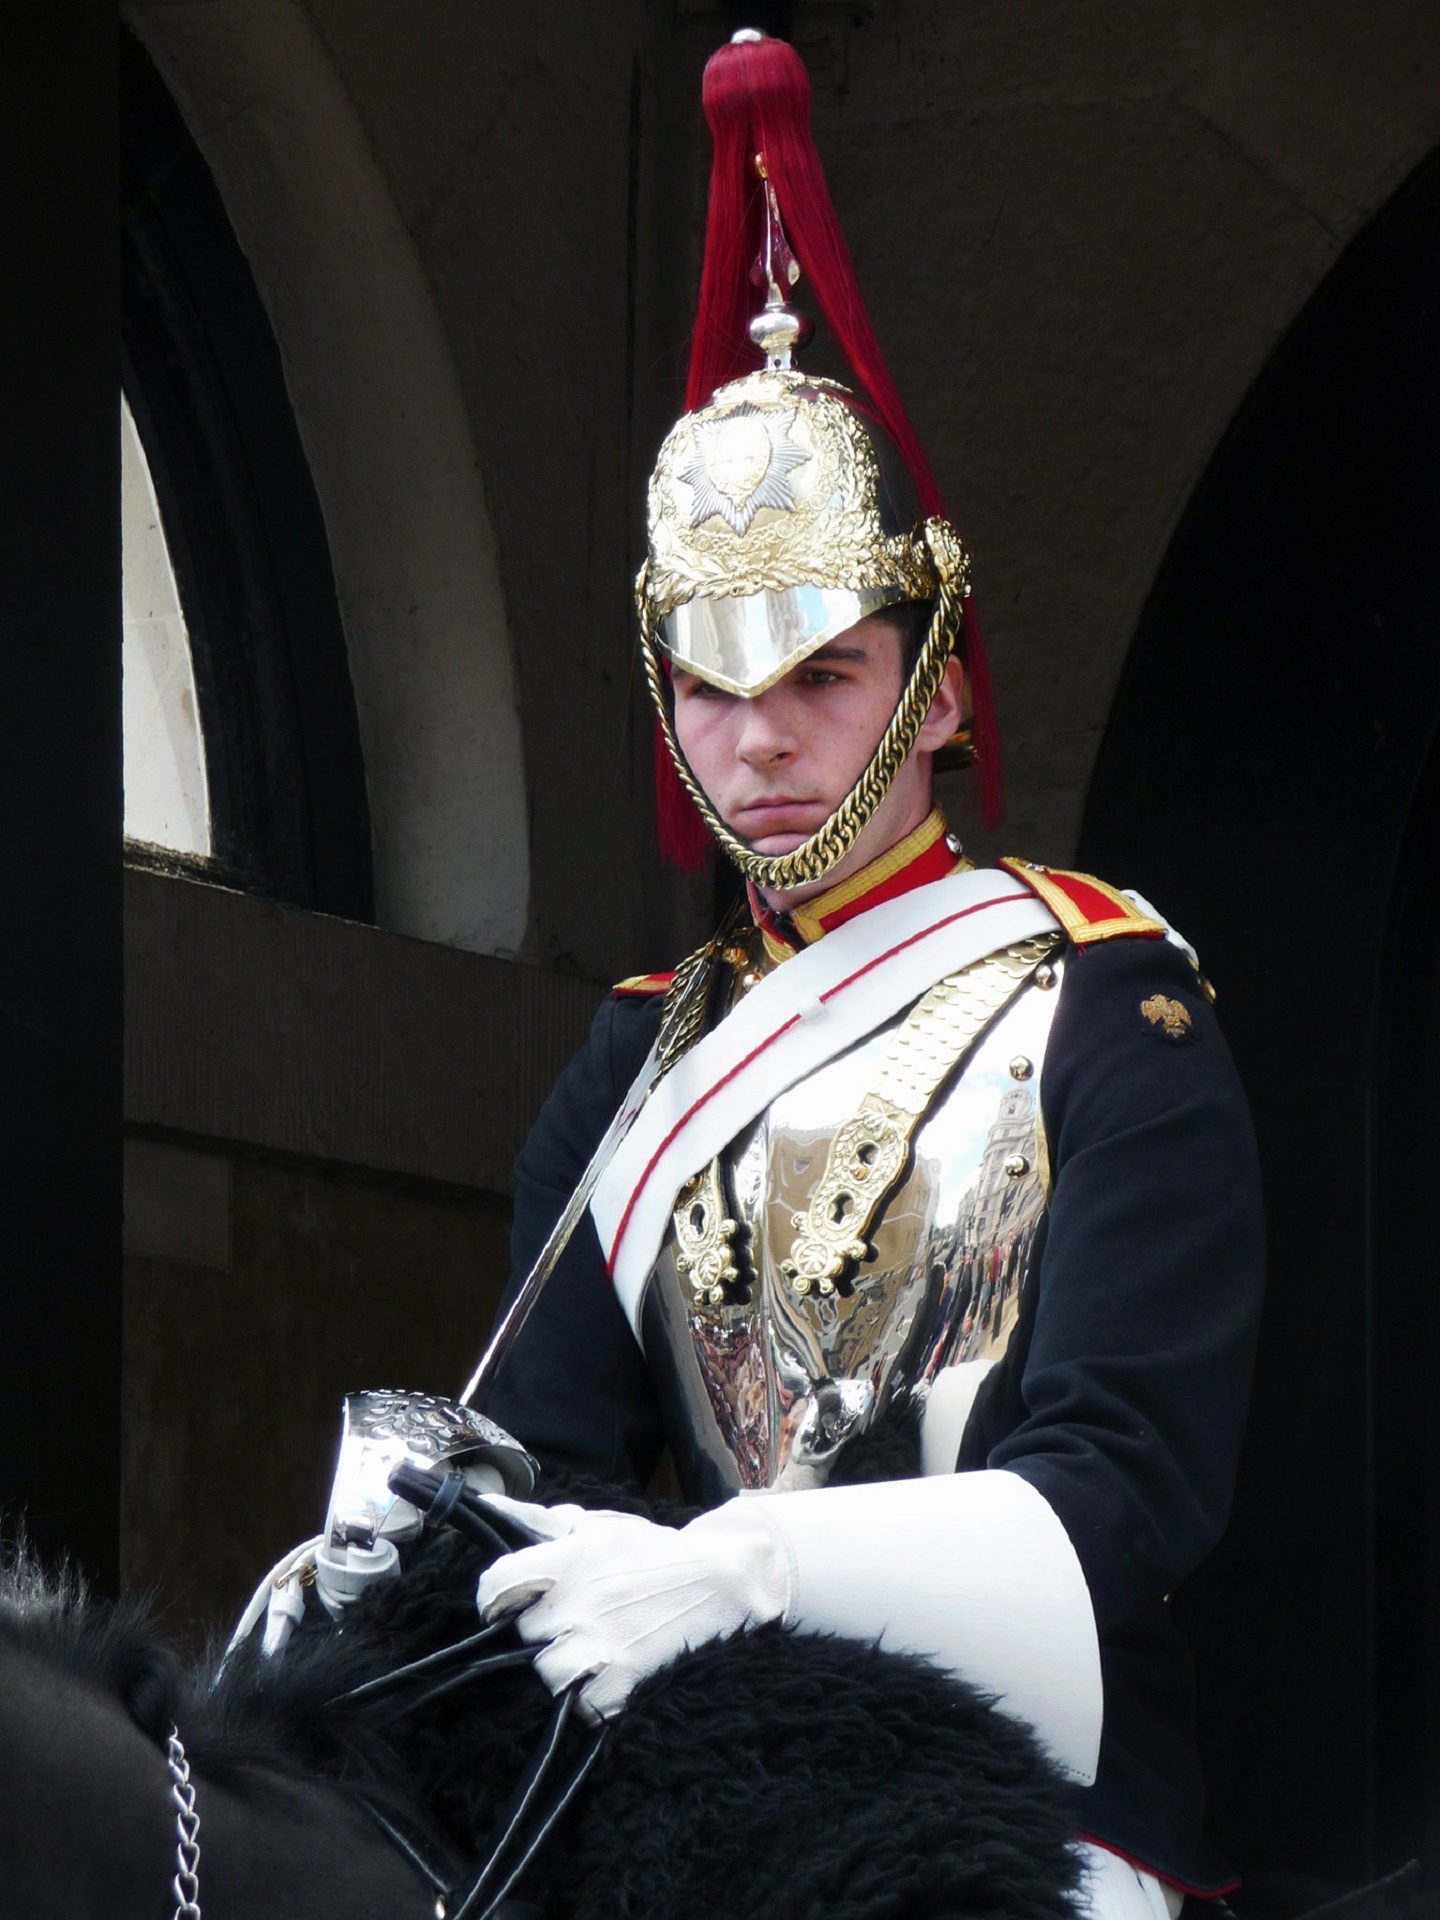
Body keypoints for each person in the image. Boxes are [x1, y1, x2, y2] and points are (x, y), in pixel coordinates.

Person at [476, 29, 1264, 1920]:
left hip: (1035, 1781)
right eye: (712, 693)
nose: (763, 745)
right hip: (698, 1772)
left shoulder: (1104, 1002)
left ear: (927, 681)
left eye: (822, 677)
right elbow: (537, 1448)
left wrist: (754, 1565)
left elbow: (1121, 1487)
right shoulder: (637, 1068)